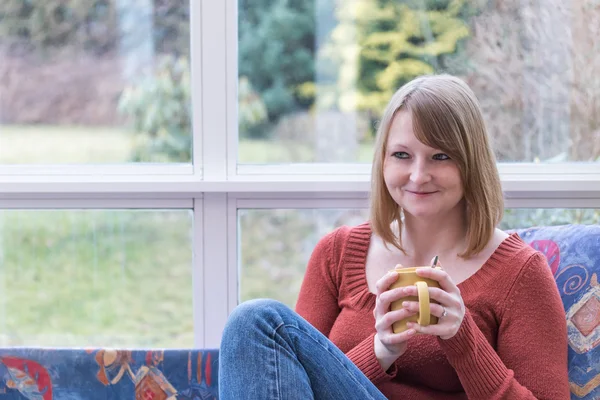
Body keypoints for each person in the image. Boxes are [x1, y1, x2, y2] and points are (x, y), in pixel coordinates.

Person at [218, 74, 570, 399]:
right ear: (383, 162)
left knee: (258, 320)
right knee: (254, 324)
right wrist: (380, 350)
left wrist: (462, 340)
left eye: (440, 157)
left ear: (471, 164)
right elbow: (288, 385)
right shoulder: (335, 254)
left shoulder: (521, 273)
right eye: (402, 155)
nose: (418, 176)